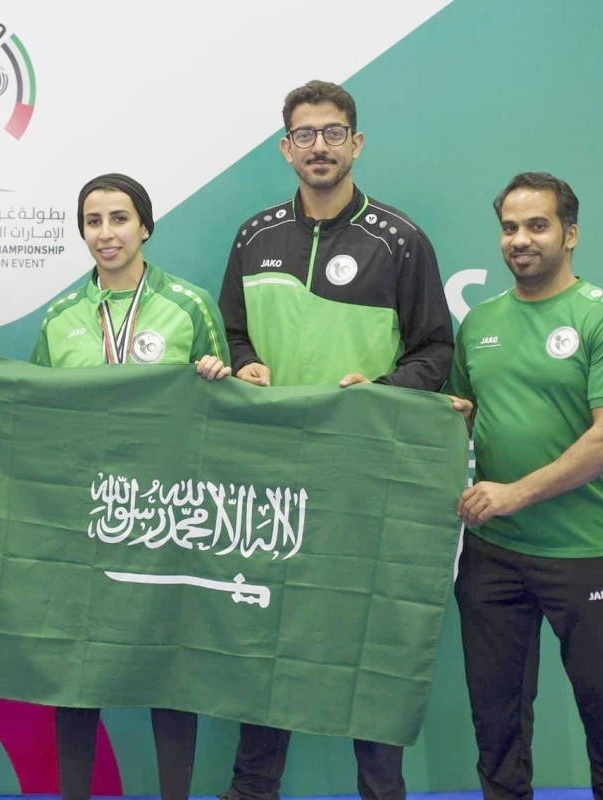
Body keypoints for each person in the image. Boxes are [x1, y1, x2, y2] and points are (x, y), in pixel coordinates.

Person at [217, 80, 453, 800]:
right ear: (285, 148)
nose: (318, 146)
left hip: (363, 475)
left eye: (333, 133)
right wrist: (243, 365)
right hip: (272, 477)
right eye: (305, 134)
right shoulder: (254, 237)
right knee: (264, 635)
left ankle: (382, 792)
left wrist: (378, 393)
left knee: (367, 638)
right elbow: (232, 336)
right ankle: (252, 789)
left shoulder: (400, 240)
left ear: (356, 143)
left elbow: (434, 353)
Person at [31, 173, 231, 800]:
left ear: (145, 226)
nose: (106, 233)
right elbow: (36, 414)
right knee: (77, 668)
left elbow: (227, 410)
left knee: (169, 665)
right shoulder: (60, 316)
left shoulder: (190, 304)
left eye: (119, 218)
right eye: (93, 221)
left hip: (166, 518)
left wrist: (218, 374)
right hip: (86, 518)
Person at [446, 172, 603, 799]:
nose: (520, 239)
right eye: (510, 227)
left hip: (587, 552)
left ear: (570, 234)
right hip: (493, 555)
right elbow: (458, 414)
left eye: (537, 225)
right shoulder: (480, 322)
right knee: (497, 728)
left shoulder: (600, 316)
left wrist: (515, 492)